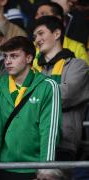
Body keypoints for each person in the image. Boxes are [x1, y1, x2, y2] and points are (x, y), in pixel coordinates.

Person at [0, 36, 62, 180]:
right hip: (3, 169)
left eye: (14, 56)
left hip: (36, 170)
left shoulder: (48, 86)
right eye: (5, 56)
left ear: (29, 58)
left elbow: (49, 132)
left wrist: (45, 171)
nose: (7, 61)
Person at [33, 16, 89, 160]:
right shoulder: (33, 69)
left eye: (41, 33)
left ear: (57, 34)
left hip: (62, 142)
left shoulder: (78, 65)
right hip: (31, 139)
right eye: (35, 36)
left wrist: (33, 96)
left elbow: (65, 95)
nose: (37, 40)